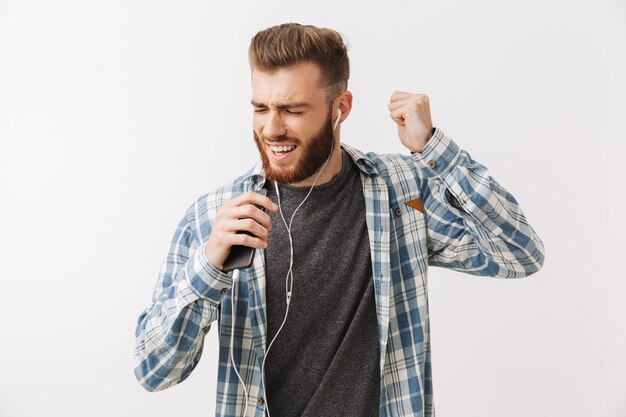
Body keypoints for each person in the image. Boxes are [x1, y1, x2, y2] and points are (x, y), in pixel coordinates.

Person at [133, 23, 545, 417]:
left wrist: (434, 148)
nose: (272, 128)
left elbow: (519, 255)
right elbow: (154, 371)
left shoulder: (403, 192)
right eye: (261, 107)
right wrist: (208, 267)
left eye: (293, 110)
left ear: (340, 108)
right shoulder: (216, 217)